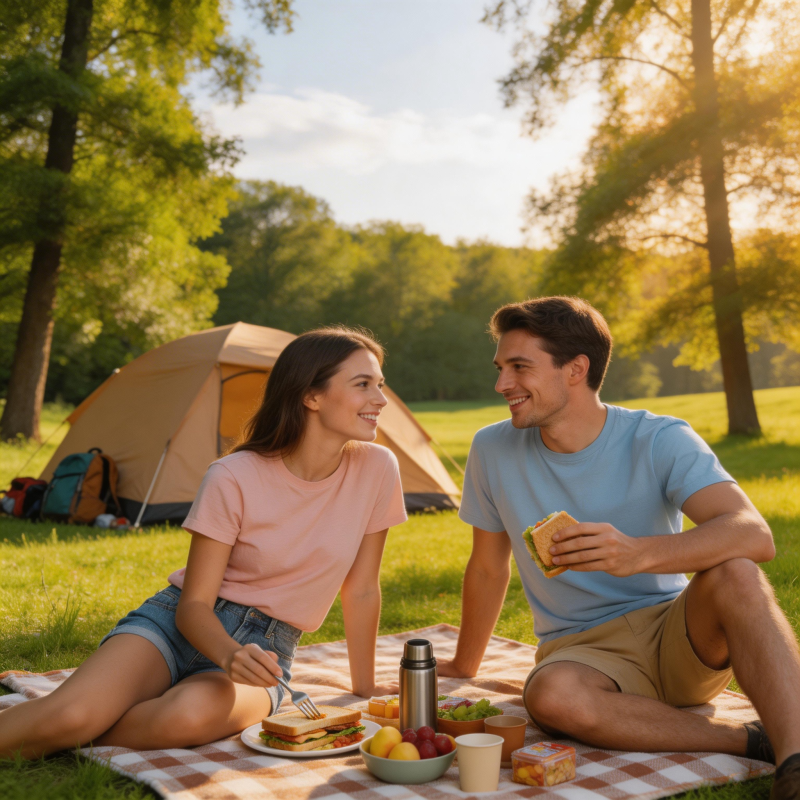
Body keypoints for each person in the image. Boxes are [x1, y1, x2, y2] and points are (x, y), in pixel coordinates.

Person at [438, 297, 800, 800]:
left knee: (737, 571)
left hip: (678, 633)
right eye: (501, 368)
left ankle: (796, 760)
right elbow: (486, 567)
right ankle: (747, 741)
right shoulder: (491, 449)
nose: (502, 385)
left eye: (520, 367)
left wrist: (639, 554)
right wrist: (463, 665)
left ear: (576, 369)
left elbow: (752, 532)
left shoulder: (659, 438)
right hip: (579, 650)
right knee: (551, 697)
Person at [0, 326, 407, 758]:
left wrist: (363, 686)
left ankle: (75, 725)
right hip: (175, 624)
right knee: (70, 715)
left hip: (270, 649)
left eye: (379, 385)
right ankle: (69, 723)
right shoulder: (234, 475)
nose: (380, 399)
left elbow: (361, 588)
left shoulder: (378, 469)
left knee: (184, 719)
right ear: (311, 396)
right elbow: (194, 605)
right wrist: (229, 653)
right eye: (364, 385)